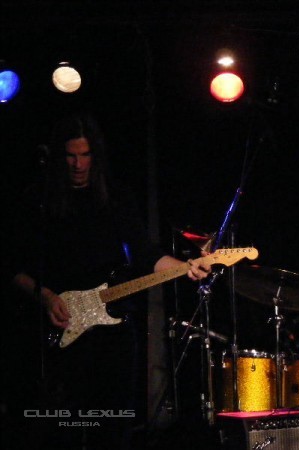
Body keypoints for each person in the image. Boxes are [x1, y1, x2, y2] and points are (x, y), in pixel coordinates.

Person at [8, 112, 210, 450]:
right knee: (60, 429)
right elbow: (12, 266)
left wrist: (185, 267)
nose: (78, 164)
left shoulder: (116, 196)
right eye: (71, 155)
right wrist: (46, 297)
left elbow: (145, 253)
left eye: (85, 155)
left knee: (113, 427)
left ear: (95, 155)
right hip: (58, 328)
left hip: (112, 333)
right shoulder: (37, 199)